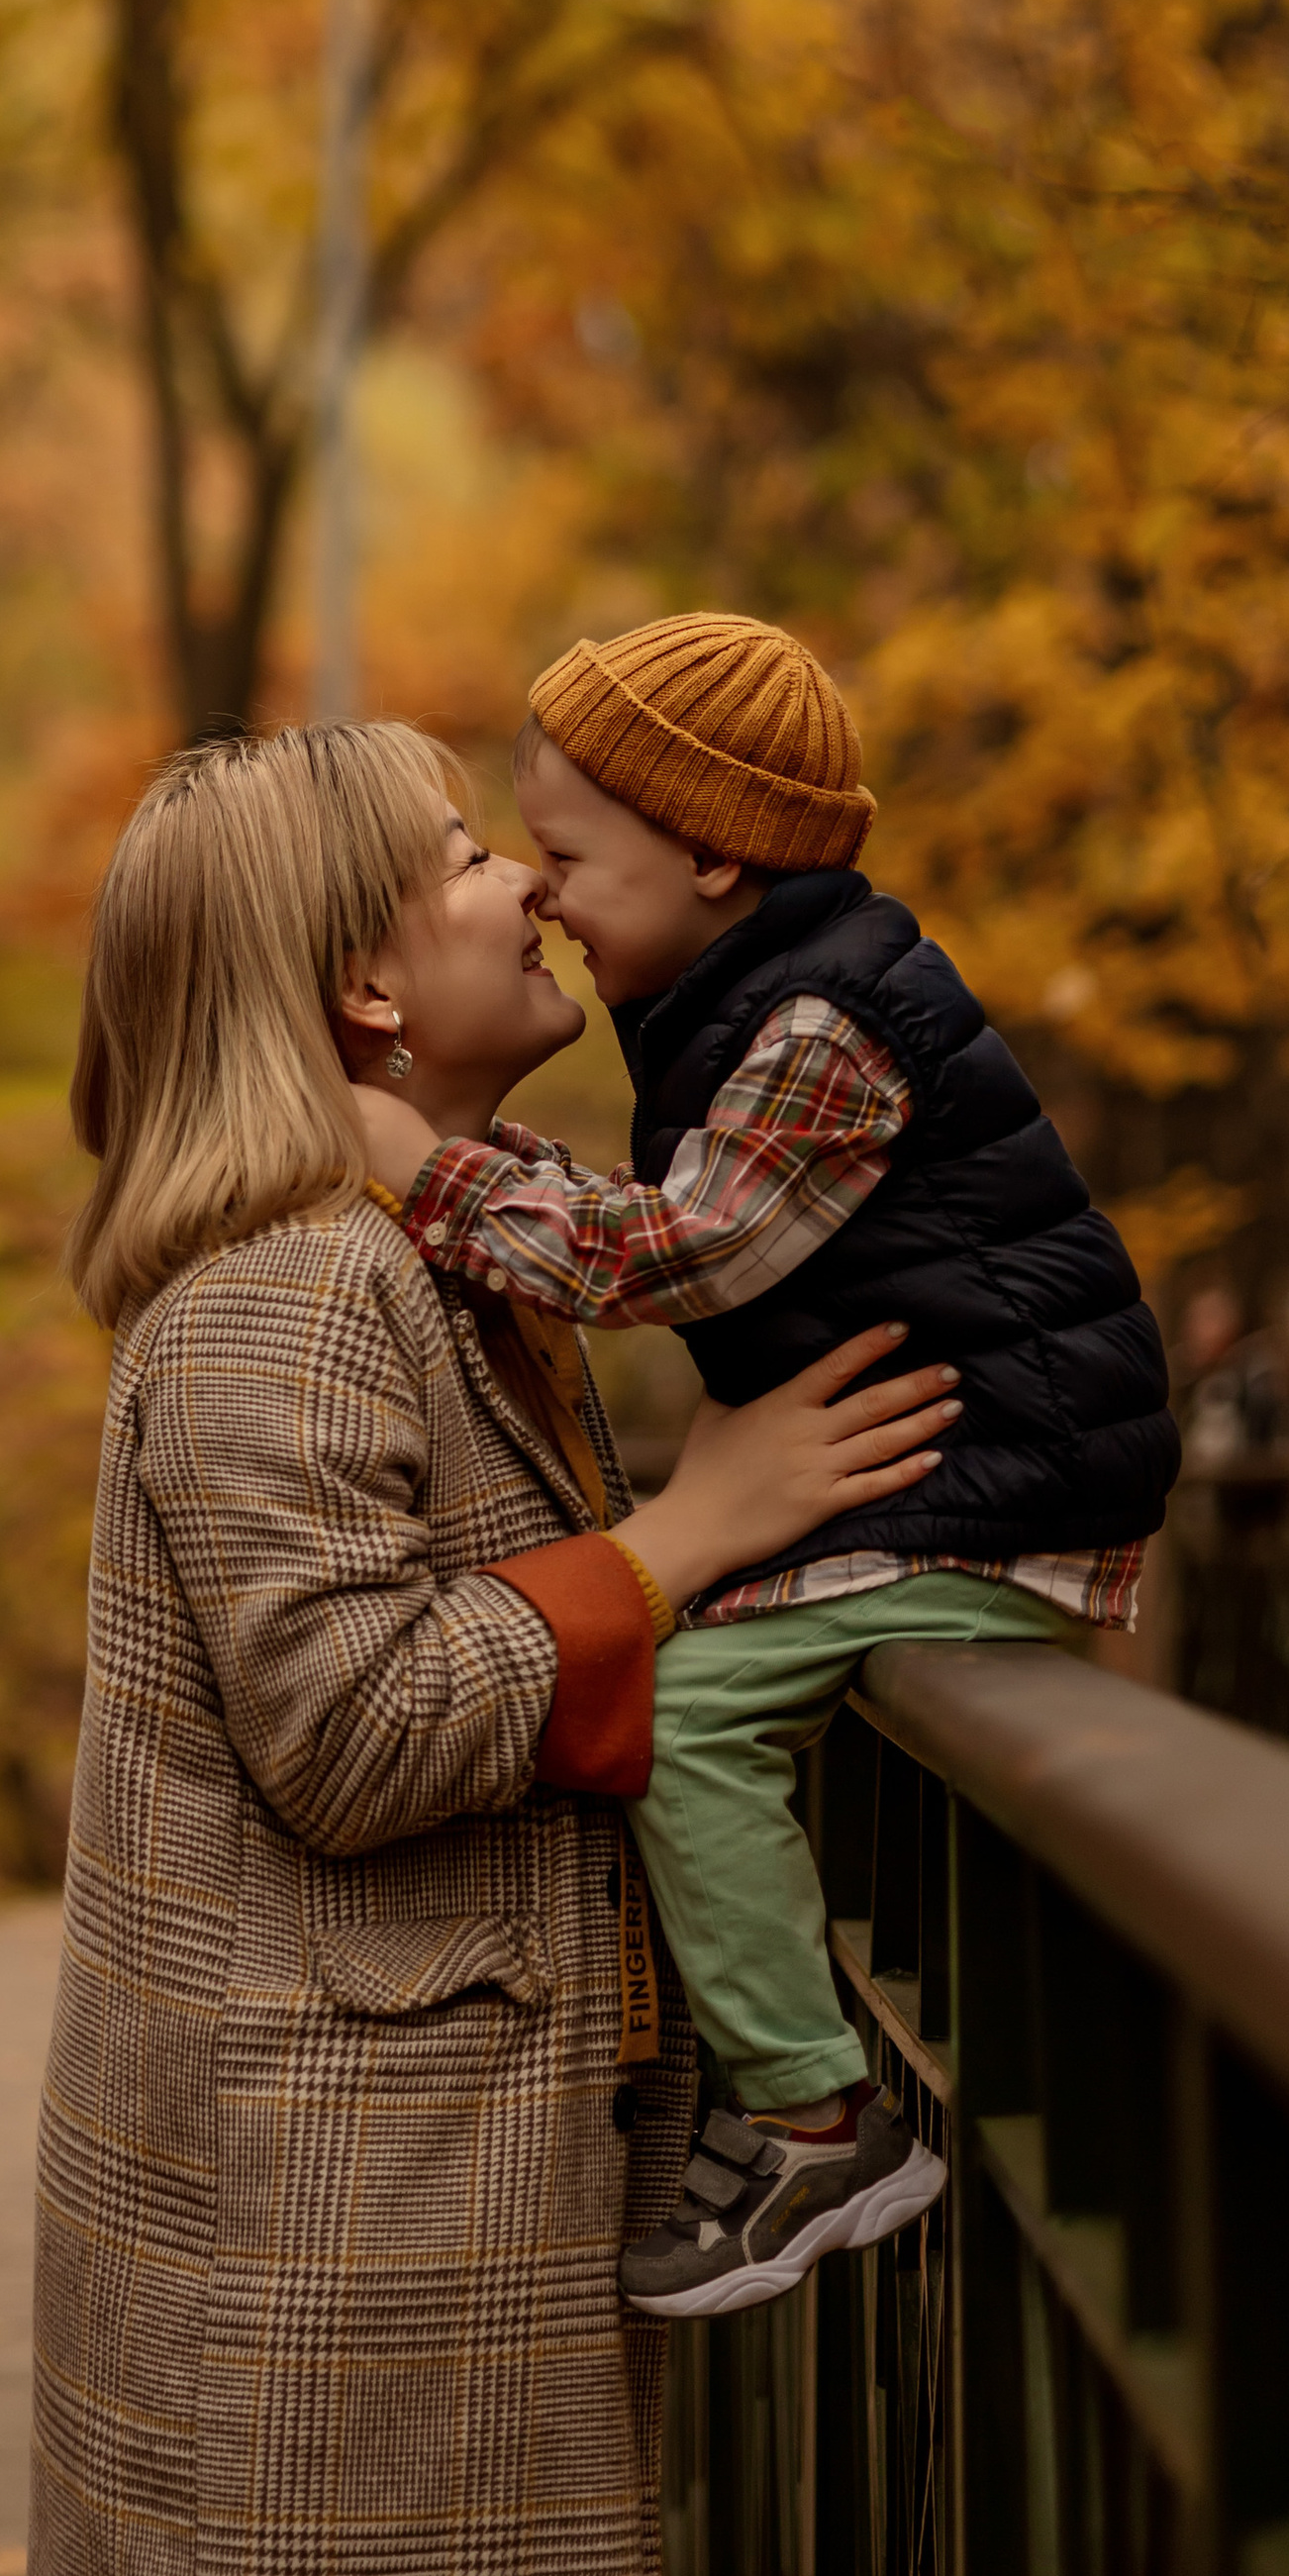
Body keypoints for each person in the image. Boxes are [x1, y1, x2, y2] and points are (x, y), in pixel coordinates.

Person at [34, 720, 958, 2576]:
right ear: (365, 990)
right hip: (323, 2240)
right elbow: (351, 1729)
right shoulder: (288, 1293)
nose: (528, 879)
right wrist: (683, 1538)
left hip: (413, 2205)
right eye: (464, 860)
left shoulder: (437, 1255)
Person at [349, 612, 1179, 2324]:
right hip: (946, 1478)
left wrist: (430, 1174)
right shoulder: (752, 993)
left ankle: (817, 2120)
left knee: (688, 1716)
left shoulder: (824, 1023)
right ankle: (796, 2093)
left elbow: (678, 1256)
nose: (545, 890)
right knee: (699, 1667)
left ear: (714, 856)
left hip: (991, 1485)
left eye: (571, 854)